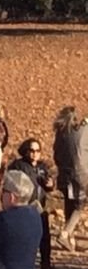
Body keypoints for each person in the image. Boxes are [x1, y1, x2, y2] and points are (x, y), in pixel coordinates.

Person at [8, 137, 57, 269]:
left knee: (45, 237)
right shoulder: (19, 166)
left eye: (38, 150)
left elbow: (49, 186)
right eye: (31, 150)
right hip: (24, 207)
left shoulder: (42, 167)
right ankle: (21, 264)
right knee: (24, 237)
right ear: (25, 151)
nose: (35, 153)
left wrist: (50, 185)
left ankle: (46, 265)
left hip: (40, 207)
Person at [52, 105, 88, 252]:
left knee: (69, 202)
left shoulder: (60, 133)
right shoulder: (81, 131)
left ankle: (70, 239)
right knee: (80, 205)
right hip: (81, 174)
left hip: (64, 173)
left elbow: (56, 154)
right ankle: (65, 233)